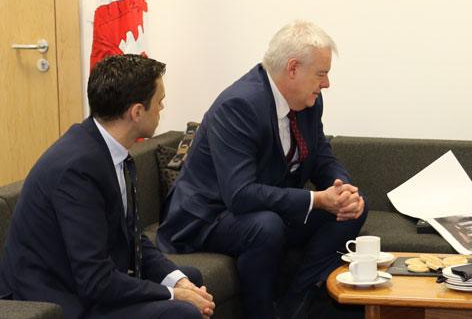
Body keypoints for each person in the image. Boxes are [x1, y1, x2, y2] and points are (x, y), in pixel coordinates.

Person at [157, 20, 366, 319]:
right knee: (265, 226)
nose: (326, 84)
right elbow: (240, 195)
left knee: (355, 208)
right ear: (293, 68)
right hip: (207, 216)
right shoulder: (240, 105)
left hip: (263, 207)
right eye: (322, 74)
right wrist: (317, 200)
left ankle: (297, 302)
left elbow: (321, 155)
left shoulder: (308, 102)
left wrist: (342, 188)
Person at [0, 54, 215, 319]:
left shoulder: (109, 149)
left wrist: (177, 282)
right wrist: (173, 295)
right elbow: (95, 280)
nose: (162, 108)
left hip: (87, 281)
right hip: (56, 298)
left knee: (189, 278)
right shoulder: (78, 170)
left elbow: (132, 237)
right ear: (136, 112)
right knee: (181, 312)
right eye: (159, 102)